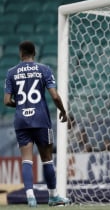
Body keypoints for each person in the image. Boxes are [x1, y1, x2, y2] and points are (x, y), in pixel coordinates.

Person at [3, 41, 71, 207]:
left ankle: (30, 196)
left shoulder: (11, 72)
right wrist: (62, 111)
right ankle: (53, 196)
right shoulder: (44, 69)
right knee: (46, 159)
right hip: (40, 119)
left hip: (21, 120)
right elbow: (55, 96)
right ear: (34, 53)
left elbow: (6, 101)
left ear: (21, 54)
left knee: (26, 159)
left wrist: (19, 104)